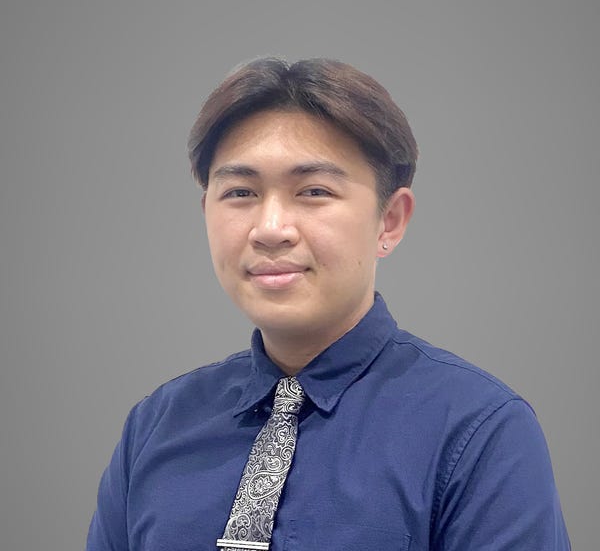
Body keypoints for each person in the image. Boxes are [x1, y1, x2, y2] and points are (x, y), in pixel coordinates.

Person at [87, 57, 571, 550]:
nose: (270, 229)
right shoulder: (156, 426)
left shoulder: (479, 431)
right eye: (240, 192)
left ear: (390, 221)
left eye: (314, 191)